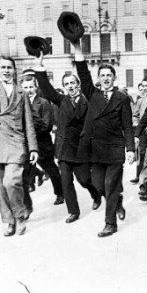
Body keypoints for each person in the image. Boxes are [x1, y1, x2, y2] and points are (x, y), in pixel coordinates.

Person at [72, 40, 135, 237]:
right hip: (96, 150)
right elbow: (82, 72)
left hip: (115, 148)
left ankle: (110, 223)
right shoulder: (93, 94)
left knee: (110, 184)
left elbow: (127, 126)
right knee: (99, 185)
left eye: (109, 75)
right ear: (98, 78)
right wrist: (78, 49)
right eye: (102, 75)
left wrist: (131, 149)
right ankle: (117, 202)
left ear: (114, 78)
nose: (106, 78)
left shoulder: (122, 98)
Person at [33, 53, 102, 223]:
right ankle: (73, 211)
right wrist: (39, 66)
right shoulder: (61, 100)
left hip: (80, 150)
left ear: (78, 85)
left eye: (72, 83)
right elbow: (46, 88)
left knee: (84, 179)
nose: (70, 86)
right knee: (66, 181)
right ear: (63, 87)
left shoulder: (87, 103)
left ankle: (95, 194)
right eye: (66, 84)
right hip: (64, 149)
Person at [0, 55, 39, 236]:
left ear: (14, 70)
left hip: (16, 143)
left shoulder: (21, 93)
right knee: (0, 186)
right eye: (2, 67)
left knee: (11, 182)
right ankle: (9, 221)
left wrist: (33, 148)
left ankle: (21, 215)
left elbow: (29, 123)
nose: (6, 71)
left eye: (9, 67)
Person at [20, 71, 64, 206]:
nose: (28, 90)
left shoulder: (44, 103)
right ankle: (27, 205)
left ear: (36, 87)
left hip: (42, 143)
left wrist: (30, 131)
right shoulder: (20, 104)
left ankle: (60, 192)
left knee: (51, 169)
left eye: (31, 87)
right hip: (25, 145)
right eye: (25, 87)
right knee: (23, 174)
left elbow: (47, 125)